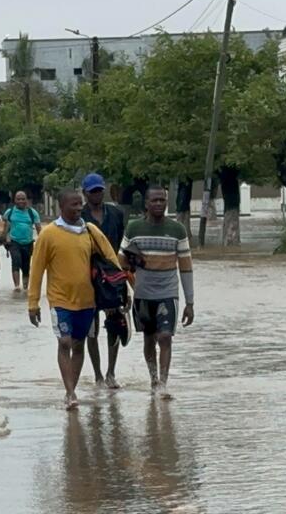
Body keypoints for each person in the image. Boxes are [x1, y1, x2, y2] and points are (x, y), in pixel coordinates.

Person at [27, 189, 125, 410]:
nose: (79, 208)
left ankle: (73, 387)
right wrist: (32, 303)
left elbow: (110, 258)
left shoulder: (90, 231)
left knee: (79, 345)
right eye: (74, 204)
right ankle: (70, 393)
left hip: (88, 301)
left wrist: (121, 289)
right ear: (61, 207)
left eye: (80, 204)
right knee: (64, 342)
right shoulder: (48, 234)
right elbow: (36, 270)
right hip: (60, 301)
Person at [120, 186, 194, 401]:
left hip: (168, 293)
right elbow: (120, 260)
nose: (159, 204)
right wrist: (134, 259)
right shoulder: (134, 228)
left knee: (165, 336)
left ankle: (162, 383)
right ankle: (152, 379)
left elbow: (186, 266)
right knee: (149, 338)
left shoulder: (177, 230)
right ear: (146, 203)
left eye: (162, 200)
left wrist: (190, 302)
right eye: (155, 200)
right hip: (142, 293)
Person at [79, 174, 130, 390]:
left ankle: (111, 373)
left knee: (116, 323)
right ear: (85, 193)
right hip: (87, 276)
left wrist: (126, 277)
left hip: (113, 276)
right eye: (93, 191)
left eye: (100, 190)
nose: (97, 194)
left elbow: (122, 245)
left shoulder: (116, 214)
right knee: (92, 328)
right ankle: (98, 375)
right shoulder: (79, 216)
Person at [3, 191, 42, 293]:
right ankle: (16, 286)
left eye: (23, 199)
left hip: (28, 243)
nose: (21, 201)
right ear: (14, 200)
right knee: (16, 261)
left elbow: (39, 229)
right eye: (18, 199)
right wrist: (5, 240)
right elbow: (4, 228)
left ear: (27, 200)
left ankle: (25, 288)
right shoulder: (9, 212)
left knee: (26, 265)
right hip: (14, 241)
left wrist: (42, 243)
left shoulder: (32, 213)